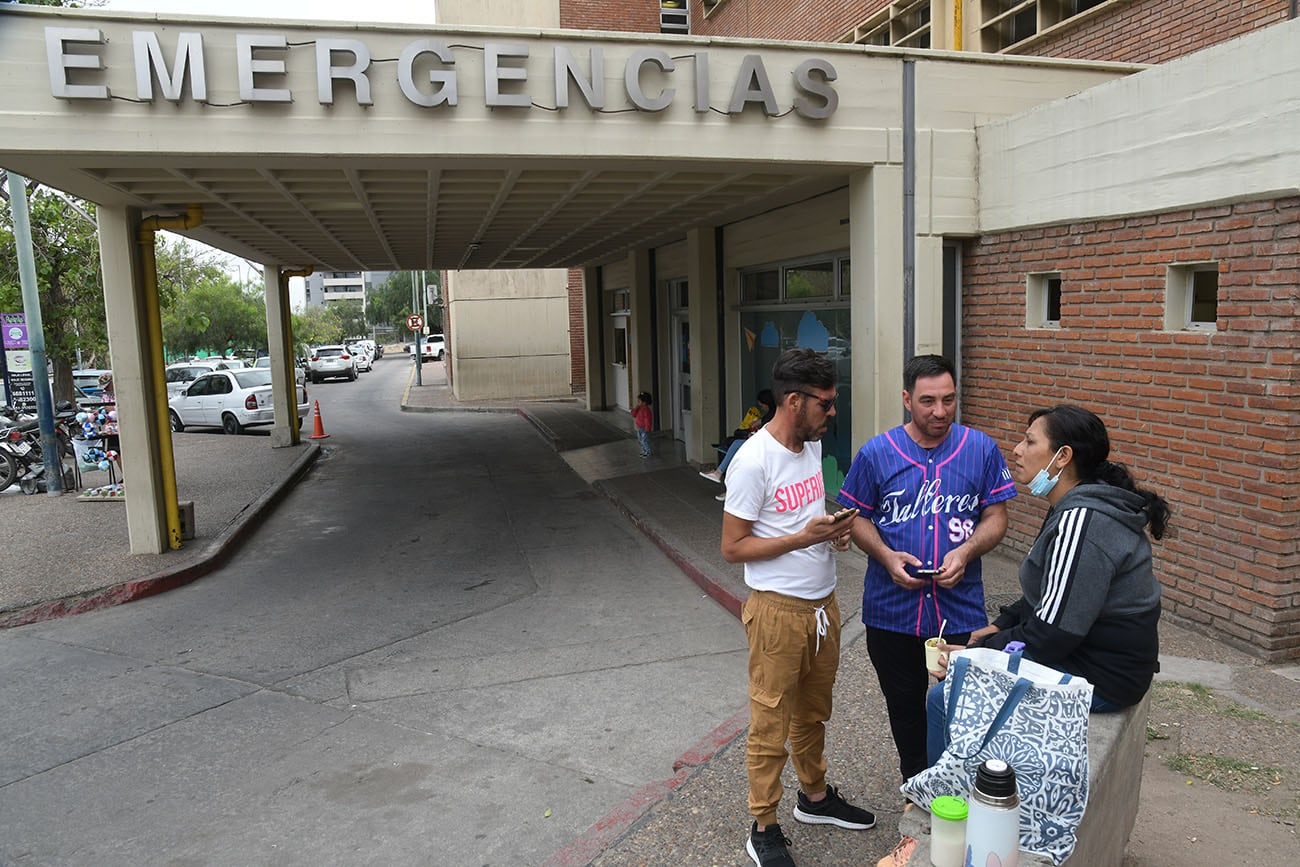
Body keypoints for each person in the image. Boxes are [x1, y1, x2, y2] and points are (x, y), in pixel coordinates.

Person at [925, 404, 1169, 763]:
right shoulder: (1077, 506)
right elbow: (1051, 592)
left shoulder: (1083, 519)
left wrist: (982, 654)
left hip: (1104, 677)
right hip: (1093, 658)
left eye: (1029, 441)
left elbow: (1054, 632)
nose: (1017, 450)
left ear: (1062, 457)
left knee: (946, 697)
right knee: (967, 672)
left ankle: (944, 806)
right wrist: (998, 627)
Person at [721, 348, 875, 867]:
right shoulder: (752, 460)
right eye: (826, 404)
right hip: (777, 613)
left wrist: (831, 532)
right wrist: (798, 539)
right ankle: (763, 825)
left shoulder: (807, 448)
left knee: (813, 713)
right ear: (794, 400)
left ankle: (814, 797)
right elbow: (733, 547)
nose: (833, 414)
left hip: (822, 608)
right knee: (770, 723)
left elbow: (800, 520)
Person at [836, 354, 1016, 783]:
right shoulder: (877, 453)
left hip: (959, 608)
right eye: (928, 401)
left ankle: (959, 782)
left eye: (949, 400)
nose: (940, 411)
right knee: (904, 704)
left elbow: (996, 516)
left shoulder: (981, 449)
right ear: (906, 399)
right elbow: (855, 515)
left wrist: (967, 552)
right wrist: (885, 556)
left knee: (963, 705)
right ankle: (916, 784)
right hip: (891, 609)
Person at [700, 388, 775, 500]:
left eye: (761, 405)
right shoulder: (772, 414)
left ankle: (721, 476)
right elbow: (760, 423)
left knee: (736, 451)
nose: (761, 408)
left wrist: (753, 434)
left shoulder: (772, 416)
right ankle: (722, 478)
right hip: (762, 445)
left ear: (767, 403)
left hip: (765, 447)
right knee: (736, 449)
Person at [632, 391, 653, 458]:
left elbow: (647, 420)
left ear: (644, 403)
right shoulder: (639, 409)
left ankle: (648, 451)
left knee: (644, 440)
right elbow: (633, 414)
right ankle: (644, 451)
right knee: (640, 440)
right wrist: (636, 408)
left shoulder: (646, 410)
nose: (638, 403)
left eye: (639, 401)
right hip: (639, 427)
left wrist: (647, 428)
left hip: (644, 428)